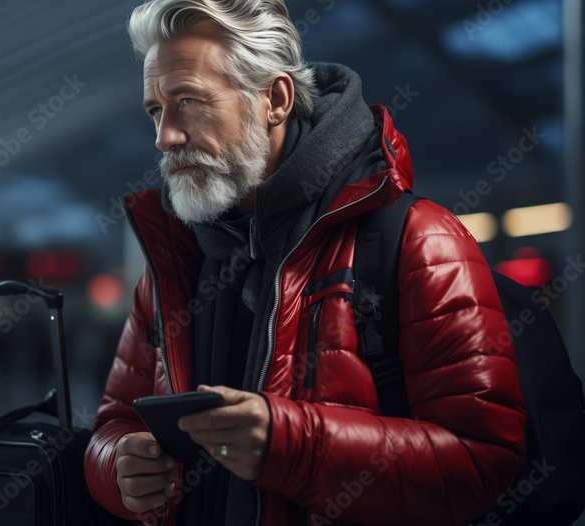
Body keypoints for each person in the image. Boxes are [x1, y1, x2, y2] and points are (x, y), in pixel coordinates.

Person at [83, 1, 526, 525]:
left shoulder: (418, 238)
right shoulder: (174, 260)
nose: (165, 137)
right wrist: (119, 468)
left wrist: (291, 447)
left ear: (275, 99)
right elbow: (112, 424)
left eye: (189, 101)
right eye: (156, 109)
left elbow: (485, 463)